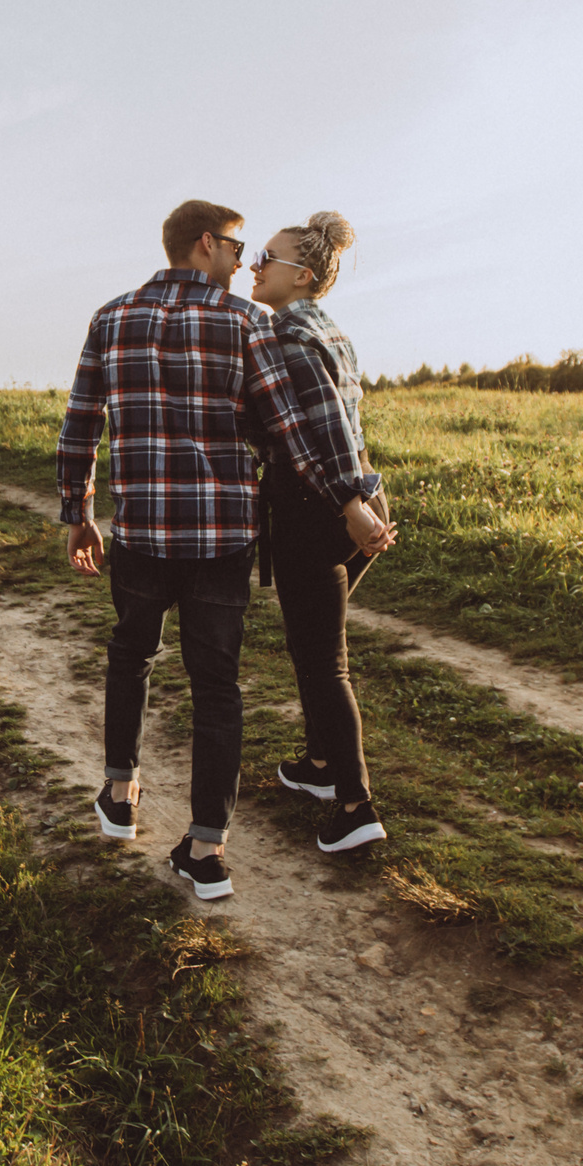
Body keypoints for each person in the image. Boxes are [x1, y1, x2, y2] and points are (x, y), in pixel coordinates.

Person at [59, 199, 393, 901]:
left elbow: (81, 422)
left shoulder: (111, 316)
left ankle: (120, 793)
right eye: (239, 248)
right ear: (205, 244)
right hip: (221, 538)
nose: (244, 263)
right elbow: (291, 431)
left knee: (131, 652)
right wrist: (349, 496)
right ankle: (207, 850)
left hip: (144, 530)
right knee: (218, 687)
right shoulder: (247, 324)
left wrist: (78, 513)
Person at [250, 214, 393, 853]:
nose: (255, 266)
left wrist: (345, 505)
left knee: (322, 657)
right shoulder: (328, 328)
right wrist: (363, 499)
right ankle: (319, 765)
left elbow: (321, 428)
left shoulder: (287, 333)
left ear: (301, 275)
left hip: (322, 506)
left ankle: (357, 806)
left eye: (267, 258)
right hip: (362, 493)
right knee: (314, 641)